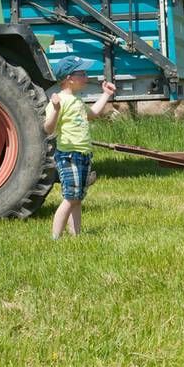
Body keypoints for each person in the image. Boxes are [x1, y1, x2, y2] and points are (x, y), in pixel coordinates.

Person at [43, 56, 116, 239]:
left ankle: (75, 236)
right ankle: (55, 238)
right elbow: (48, 128)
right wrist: (56, 109)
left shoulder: (77, 100)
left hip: (83, 154)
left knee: (77, 198)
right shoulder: (59, 100)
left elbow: (93, 114)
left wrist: (106, 94)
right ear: (69, 78)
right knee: (70, 198)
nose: (86, 77)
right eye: (82, 73)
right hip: (69, 155)